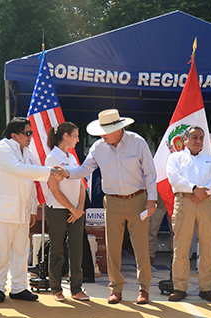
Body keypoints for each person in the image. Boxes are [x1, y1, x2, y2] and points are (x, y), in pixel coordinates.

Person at [65, 109, 157, 305]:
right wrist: (66, 173)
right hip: (112, 201)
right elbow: (84, 169)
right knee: (112, 248)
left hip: (138, 199)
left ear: (118, 129)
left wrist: (151, 200)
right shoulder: (98, 147)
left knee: (141, 247)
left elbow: (150, 172)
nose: (101, 135)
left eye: (105, 131)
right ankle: (116, 289)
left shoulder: (138, 142)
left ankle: (144, 289)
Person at [0, 117, 67, 303]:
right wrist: (49, 172)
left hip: (21, 211)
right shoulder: (1, 149)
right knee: (1, 252)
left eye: (31, 133)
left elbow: (29, 184)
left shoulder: (27, 152)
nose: (30, 136)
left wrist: (32, 209)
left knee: (21, 252)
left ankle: (19, 288)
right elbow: (19, 169)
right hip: (2, 211)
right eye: (27, 133)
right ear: (14, 135)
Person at [166, 126, 211, 302]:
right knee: (181, 247)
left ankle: (206, 288)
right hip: (185, 200)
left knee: (207, 246)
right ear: (185, 140)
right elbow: (173, 178)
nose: (198, 141)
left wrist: (203, 192)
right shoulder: (175, 158)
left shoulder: (210, 160)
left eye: (201, 138)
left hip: (206, 201)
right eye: (194, 137)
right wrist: (193, 189)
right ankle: (179, 287)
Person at [44, 122, 89, 302]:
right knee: (57, 249)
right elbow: (54, 190)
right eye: (76, 136)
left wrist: (79, 209)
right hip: (58, 210)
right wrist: (72, 209)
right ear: (66, 136)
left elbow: (81, 185)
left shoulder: (72, 158)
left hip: (75, 211)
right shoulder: (52, 157)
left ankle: (76, 289)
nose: (78, 140)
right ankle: (56, 289)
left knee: (76, 249)